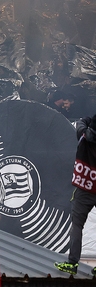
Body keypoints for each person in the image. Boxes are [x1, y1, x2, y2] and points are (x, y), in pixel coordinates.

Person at [55, 113, 96, 276]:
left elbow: (81, 123)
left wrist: (88, 120)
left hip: (85, 187)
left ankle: (72, 263)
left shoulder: (84, 135)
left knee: (77, 225)